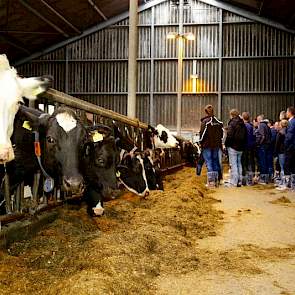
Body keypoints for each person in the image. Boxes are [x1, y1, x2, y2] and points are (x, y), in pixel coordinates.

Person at [199, 105, 223, 188]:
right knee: (215, 161)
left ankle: (211, 182)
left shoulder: (205, 122)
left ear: (206, 112)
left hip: (207, 145)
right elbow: (222, 134)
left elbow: (202, 134)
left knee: (209, 162)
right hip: (216, 145)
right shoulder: (219, 121)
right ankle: (217, 181)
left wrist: (200, 142)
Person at [225, 109, 247, 187]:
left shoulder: (232, 123)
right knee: (239, 163)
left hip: (233, 147)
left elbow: (230, 135)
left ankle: (234, 181)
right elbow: (245, 135)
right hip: (241, 147)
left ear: (232, 115)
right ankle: (239, 181)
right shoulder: (242, 123)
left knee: (233, 164)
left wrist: (226, 144)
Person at [255, 114, 272, 184]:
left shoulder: (261, 125)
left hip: (263, 146)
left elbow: (262, 136)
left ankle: (263, 179)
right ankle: (267, 178)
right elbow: (269, 135)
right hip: (267, 145)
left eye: (257, 120)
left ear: (259, 119)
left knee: (263, 162)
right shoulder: (267, 126)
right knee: (266, 162)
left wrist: (259, 144)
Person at [241, 112, 256, 185]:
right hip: (251, 147)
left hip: (245, 147)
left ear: (243, 118)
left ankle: (245, 180)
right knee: (250, 163)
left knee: (245, 163)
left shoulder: (244, 126)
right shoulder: (251, 126)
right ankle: (251, 180)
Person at [284, 106, 295, 191]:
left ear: (290, 112)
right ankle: (292, 184)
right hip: (292, 146)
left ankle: (288, 184)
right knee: (292, 165)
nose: (286, 113)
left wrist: (285, 144)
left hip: (290, 147)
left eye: (287, 112)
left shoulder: (291, 122)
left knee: (287, 164)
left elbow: (289, 136)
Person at [275, 119, 288, 189]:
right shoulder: (287, 132)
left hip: (281, 152)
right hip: (286, 151)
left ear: (281, 125)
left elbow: (277, 144)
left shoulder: (280, 133)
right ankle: (285, 182)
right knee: (285, 167)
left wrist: (275, 152)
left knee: (282, 168)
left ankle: (283, 183)